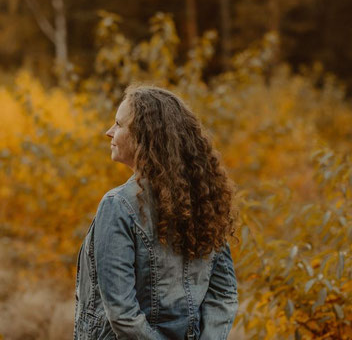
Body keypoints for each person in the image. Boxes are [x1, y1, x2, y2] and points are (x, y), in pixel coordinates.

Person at [74, 85, 239, 340]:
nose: (109, 132)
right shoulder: (204, 201)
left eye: (119, 125)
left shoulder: (118, 205)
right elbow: (224, 297)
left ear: (143, 137)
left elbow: (122, 314)